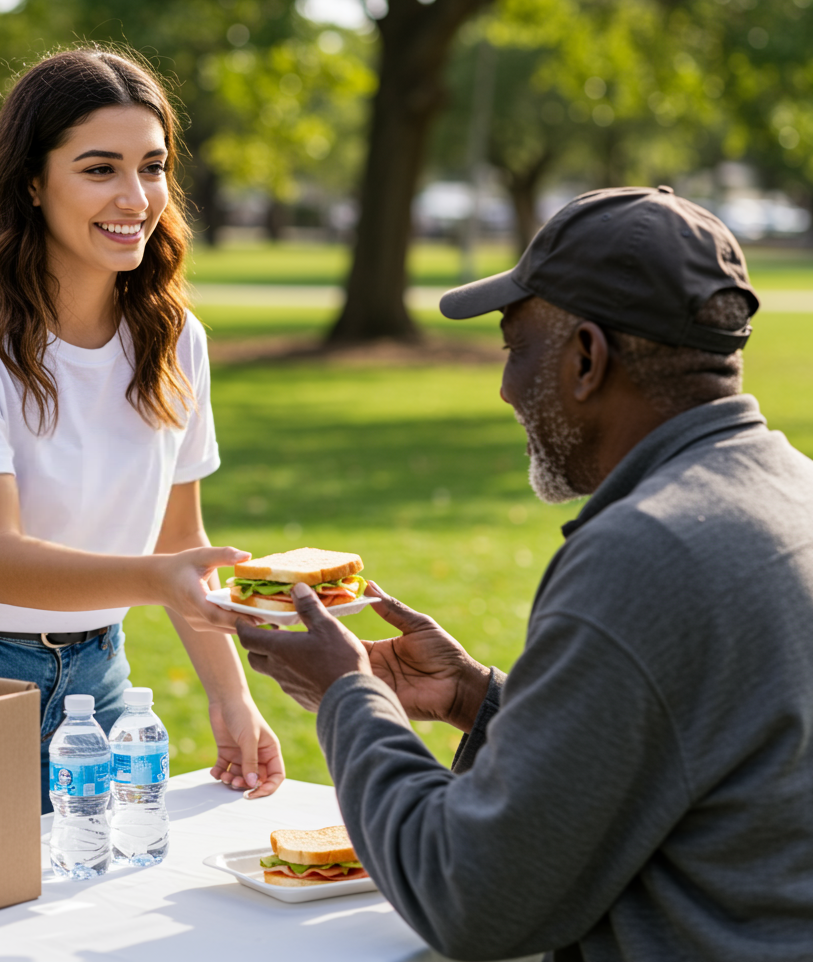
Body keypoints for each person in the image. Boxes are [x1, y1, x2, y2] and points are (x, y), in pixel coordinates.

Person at [237, 187, 813, 961]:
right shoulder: (790, 488)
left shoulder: (644, 553)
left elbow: (470, 895)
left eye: (516, 349)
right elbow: (694, 754)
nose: (507, 388)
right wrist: (477, 699)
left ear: (586, 358)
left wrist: (348, 695)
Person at [0, 48, 283, 812]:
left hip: (97, 677)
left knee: (109, 881)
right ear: (32, 181)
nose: (135, 197)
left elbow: (177, 537)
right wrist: (156, 581)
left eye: (152, 167)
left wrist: (231, 696)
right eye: (99, 169)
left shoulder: (174, 337)